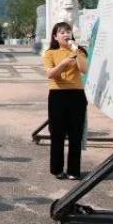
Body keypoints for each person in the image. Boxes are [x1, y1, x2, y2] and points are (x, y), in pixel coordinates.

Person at [43, 22, 89, 180]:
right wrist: (63, 63)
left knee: (76, 134)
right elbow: (50, 74)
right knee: (57, 134)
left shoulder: (79, 51)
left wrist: (76, 51)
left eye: (67, 31)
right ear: (55, 36)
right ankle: (57, 169)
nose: (65, 34)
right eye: (61, 32)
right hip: (58, 95)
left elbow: (84, 69)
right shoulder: (50, 53)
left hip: (77, 95)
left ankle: (74, 171)